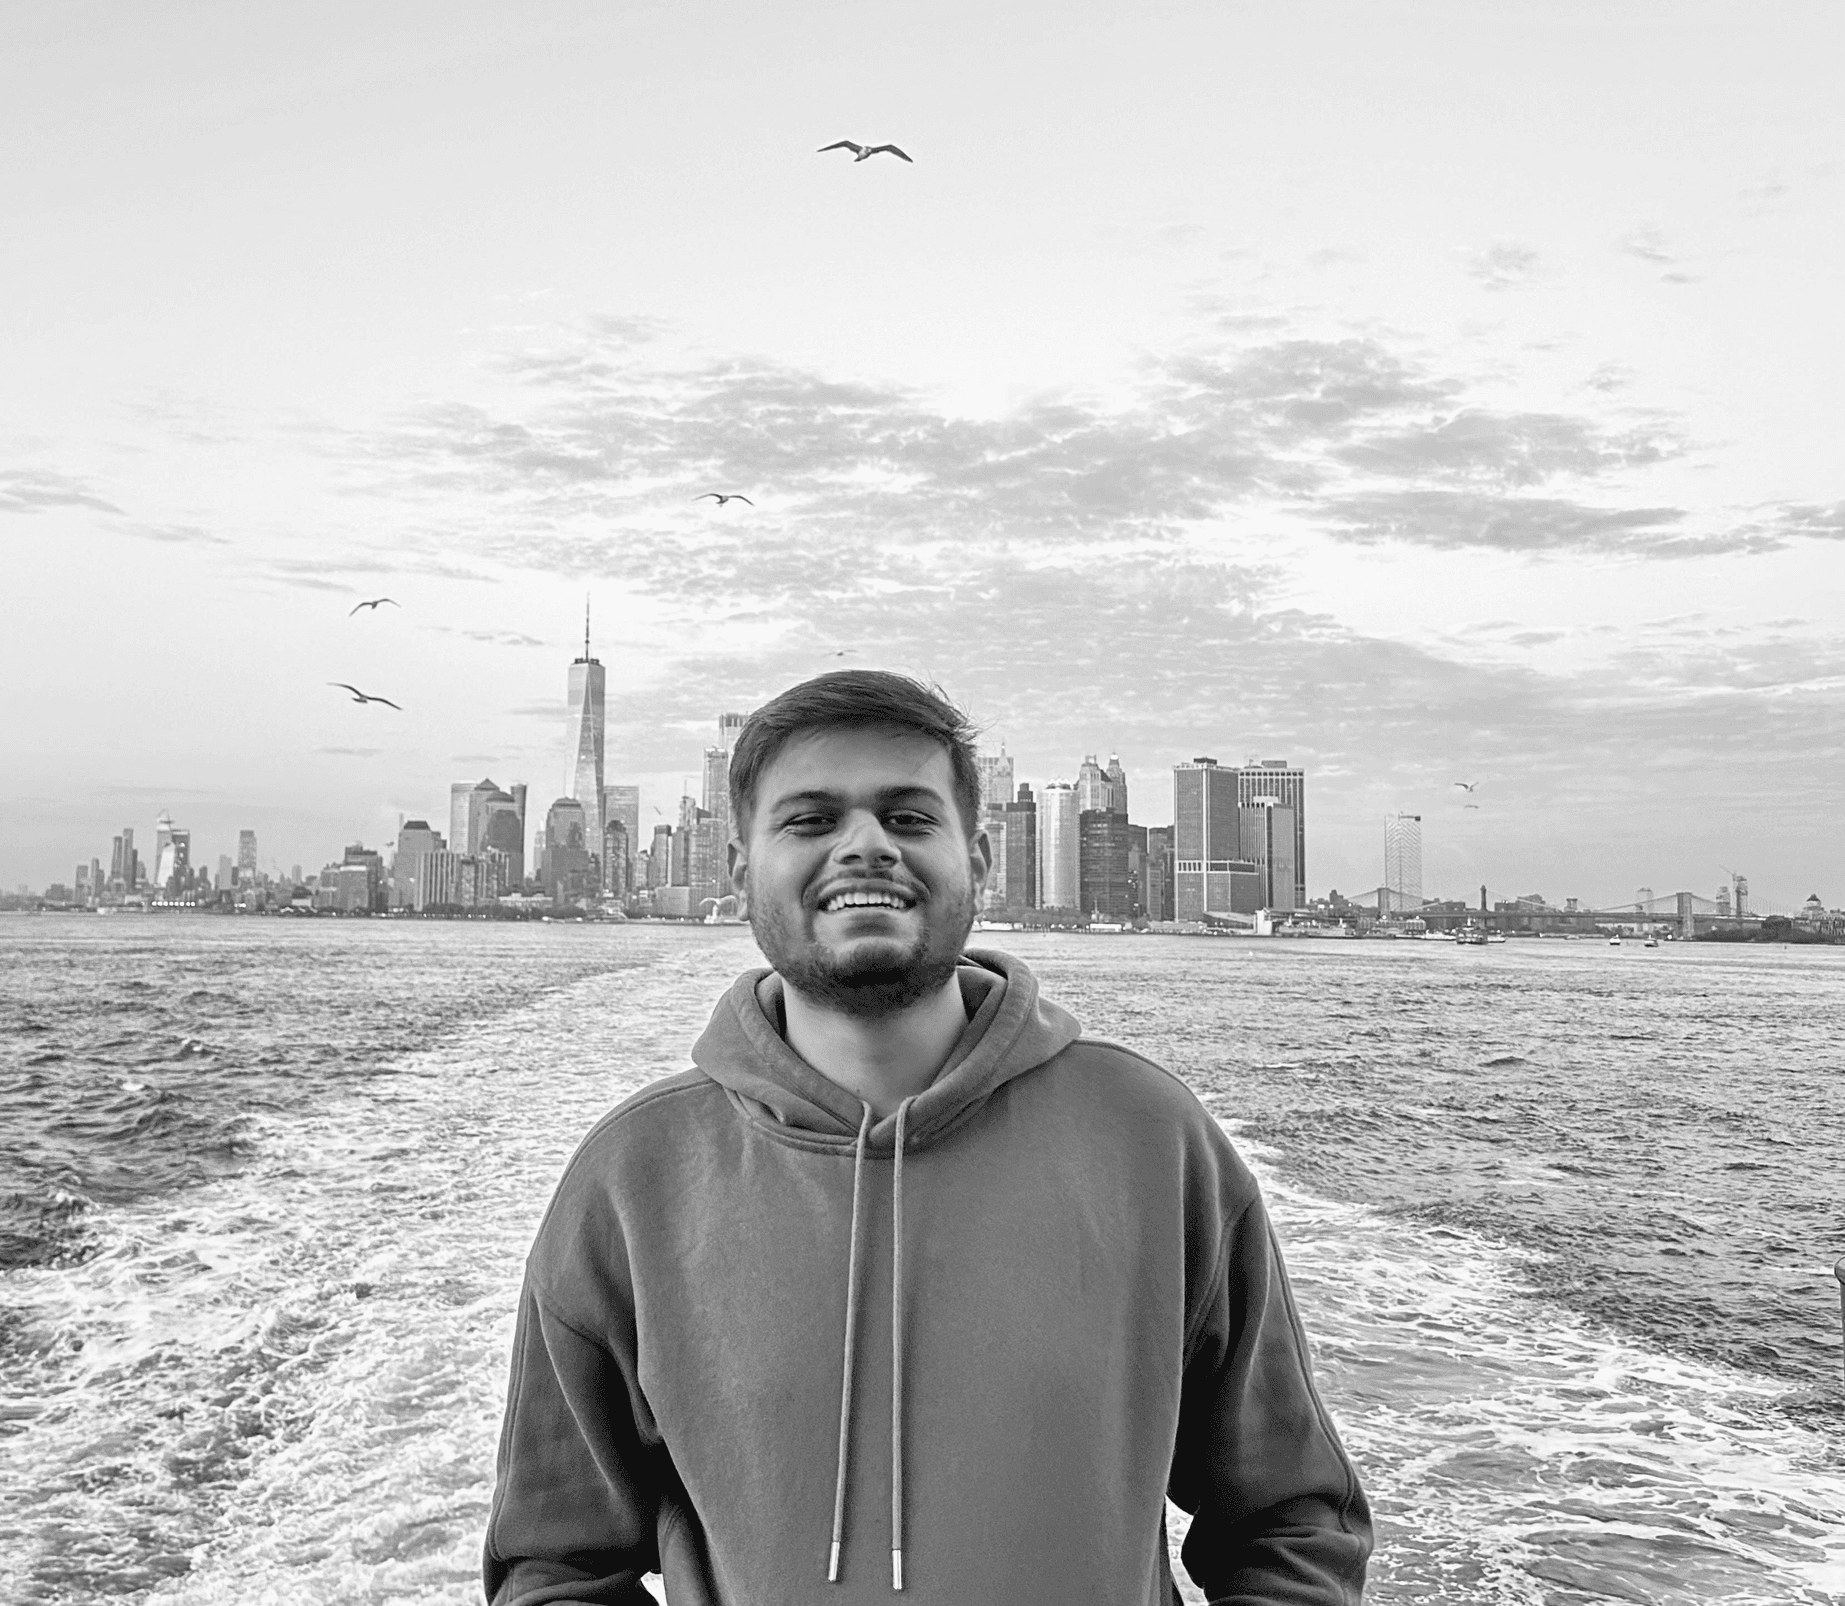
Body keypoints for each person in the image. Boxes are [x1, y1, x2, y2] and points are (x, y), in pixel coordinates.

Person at [484, 671, 1371, 1605]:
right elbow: (556, 1566)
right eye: (811, 819)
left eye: (908, 817)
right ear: (739, 869)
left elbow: (1293, 1518)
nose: (865, 844)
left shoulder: (1152, 1140)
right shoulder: (630, 1183)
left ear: (978, 859)